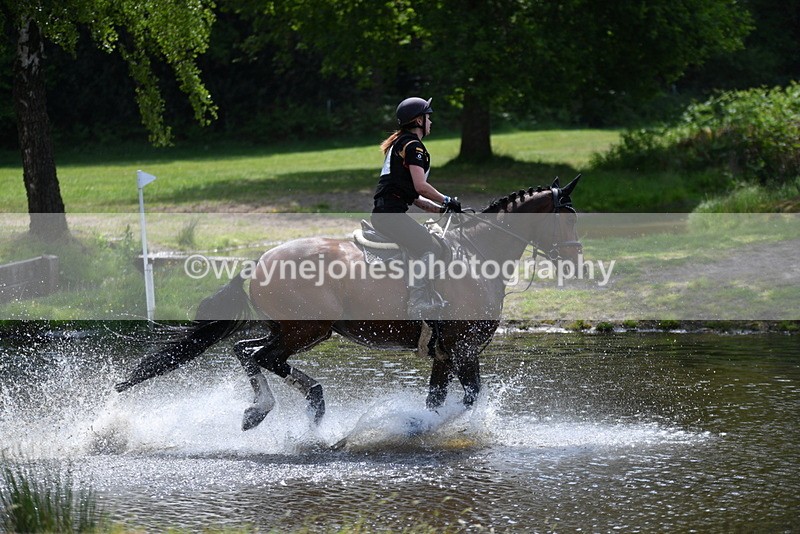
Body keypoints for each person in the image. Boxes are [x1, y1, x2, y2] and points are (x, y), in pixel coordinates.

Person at [371, 97, 462, 320]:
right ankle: (418, 301)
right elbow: (421, 186)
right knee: (430, 247)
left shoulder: (401, 143)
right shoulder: (413, 146)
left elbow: (414, 196)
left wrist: (442, 210)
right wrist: (447, 199)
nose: (431, 122)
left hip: (386, 214)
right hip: (390, 216)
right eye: (428, 118)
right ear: (419, 121)